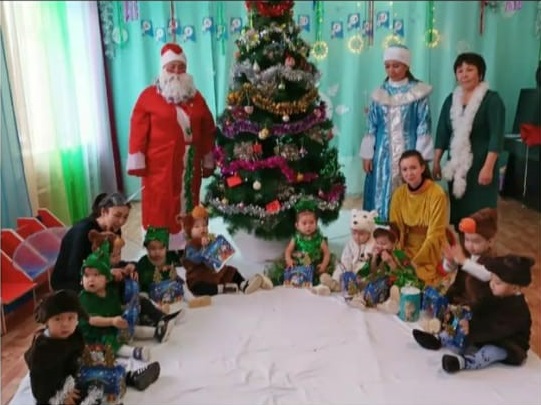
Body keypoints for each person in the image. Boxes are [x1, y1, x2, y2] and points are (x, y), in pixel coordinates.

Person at [127, 43, 216, 251]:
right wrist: (137, 159)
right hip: (159, 167)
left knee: (189, 201)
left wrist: (207, 158)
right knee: (161, 206)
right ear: (163, 69)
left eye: (181, 67)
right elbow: (138, 128)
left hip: (190, 164)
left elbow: (207, 129)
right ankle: (159, 248)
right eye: (172, 67)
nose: (177, 72)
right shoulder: (148, 96)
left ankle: (188, 244)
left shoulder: (196, 97)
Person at [412, 254, 534, 374]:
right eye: (491, 279)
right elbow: (482, 304)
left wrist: (472, 327)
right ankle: (440, 339)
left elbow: (496, 328)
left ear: (515, 288)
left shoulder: (518, 311)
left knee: (491, 352)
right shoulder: (497, 293)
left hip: (506, 342)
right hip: (484, 332)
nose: (491, 284)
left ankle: (464, 362)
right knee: (458, 324)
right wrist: (469, 310)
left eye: (497, 282)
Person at [360, 44, 434, 221]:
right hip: (382, 155)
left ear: (406, 66)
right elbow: (371, 126)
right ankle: (381, 225)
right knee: (381, 187)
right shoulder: (380, 93)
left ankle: (409, 224)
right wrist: (367, 154)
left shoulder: (418, 92)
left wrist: (421, 156)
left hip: (409, 150)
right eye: (387, 66)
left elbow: (424, 125)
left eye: (396, 66)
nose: (391, 70)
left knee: (409, 185)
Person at [433, 52, 505, 227]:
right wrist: (436, 162)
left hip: (481, 166)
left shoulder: (492, 100)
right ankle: (463, 244)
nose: (464, 74)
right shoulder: (451, 100)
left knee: (481, 219)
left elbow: (496, 135)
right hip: (456, 167)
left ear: (480, 73)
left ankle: (481, 245)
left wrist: (488, 167)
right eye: (460, 71)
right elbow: (442, 132)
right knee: (460, 219)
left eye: (469, 70)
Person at [78, 247, 164, 390]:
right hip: (95, 334)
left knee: (129, 326)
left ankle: (156, 332)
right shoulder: (84, 298)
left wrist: (128, 310)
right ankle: (135, 352)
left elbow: (116, 308)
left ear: (107, 278)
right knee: (110, 342)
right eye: (86, 276)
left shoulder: (110, 293)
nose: (91, 279)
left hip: (111, 326)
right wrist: (112, 321)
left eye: (96, 275)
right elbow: (91, 320)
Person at [24, 290, 104, 405]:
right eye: (57, 319)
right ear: (47, 322)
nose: (65, 324)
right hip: (53, 391)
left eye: (71, 318)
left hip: (71, 379)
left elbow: (79, 353)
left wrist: (88, 360)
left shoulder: (74, 334)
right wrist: (61, 395)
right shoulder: (43, 349)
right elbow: (39, 386)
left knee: (98, 387)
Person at [181, 205, 271, 296]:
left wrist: (221, 249)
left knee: (231, 271)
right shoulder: (191, 245)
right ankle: (222, 288)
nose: (202, 228)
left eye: (204, 225)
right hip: (199, 276)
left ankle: (243, 284)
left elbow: (219, 254)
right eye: (197, 227)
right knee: (198, 287)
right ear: (189, 231)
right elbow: (192, 258)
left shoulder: (209, 239)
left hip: (215, 273)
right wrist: (203, 251)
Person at [389, 150, 448, 286]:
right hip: (406, 246)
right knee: (390, 272)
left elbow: (435, 234)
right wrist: (399, 255)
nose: (409, 173)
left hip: (430, 249)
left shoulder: (437, 194)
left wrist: (415, 261)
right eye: (404, 169)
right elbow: (395, 229)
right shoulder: (398, 194)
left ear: (422, 168)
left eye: (413, 168)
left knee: (419, 279)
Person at [51, 192, 131, 292]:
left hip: (97, 274)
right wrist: (106, 274)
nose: (121, 222)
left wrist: (127, 267)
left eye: (125, 217)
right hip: (70, 281)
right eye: (117, 215)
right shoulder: (84, 230)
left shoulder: (114, 229)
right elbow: (73, 270)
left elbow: (111, 260)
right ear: (103, 212)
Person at [443, 207, 497, 308]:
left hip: (476, 303)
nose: (470, 246)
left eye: (476, 241)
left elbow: (487, 274)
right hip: (457, 296)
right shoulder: (465, 252)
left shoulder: (492, 258)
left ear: (490, 242)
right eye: (467, 240)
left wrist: (464, 261)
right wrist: (450, 261)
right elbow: (448, 269)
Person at [320, 209, 377, 293]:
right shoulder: (351, 244)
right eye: (354, 233)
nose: (357, 237)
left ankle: (355, 287)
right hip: (349, 269)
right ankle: (335, 283)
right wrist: (347, 272)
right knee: (340, 268)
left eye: (361, 234)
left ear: (369, 233)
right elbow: (346, 258)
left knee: (368, 279)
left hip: (362, 272)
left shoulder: (373, 245)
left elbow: (373, 266)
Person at [136, 227, 185, 313]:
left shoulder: (170, 257)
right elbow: (142, 280)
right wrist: (157, 270)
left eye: (161, 248)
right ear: (147, 248)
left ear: (166, 248)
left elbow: (181, 264)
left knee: (183, 287)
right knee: (143, 298)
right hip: (151, 293)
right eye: (153, 249)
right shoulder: (143, 262)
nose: (157, 252)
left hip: (171, 289)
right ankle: (156, 310)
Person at [284, 199, 332, 286]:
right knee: (290, 274)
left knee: (322, 275)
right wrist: (289, 260)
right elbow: (288, 250)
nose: (308, 226)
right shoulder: (296, 237)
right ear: (297, 225)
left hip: (315, 265)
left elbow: (326, 253)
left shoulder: (319, 238)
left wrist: (324, 264)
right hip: (300, 264)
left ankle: (324, 283)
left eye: (311, 222)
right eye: (304, 223)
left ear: (316, 224)